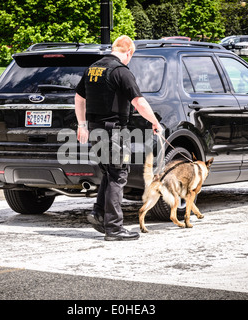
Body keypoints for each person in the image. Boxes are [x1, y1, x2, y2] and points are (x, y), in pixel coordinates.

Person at [75, 35, 163, 241]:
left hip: (96, 130)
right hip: (113, 131)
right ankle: (114, 228)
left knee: (110, 171)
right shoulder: (121, 72)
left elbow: (79, 97)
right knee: (118, 174)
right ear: (129, 51)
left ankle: (98, 214)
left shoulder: (93, 68)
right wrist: (155, 122)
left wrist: (81, 124)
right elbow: (139, 102)